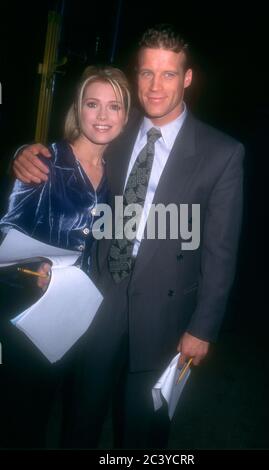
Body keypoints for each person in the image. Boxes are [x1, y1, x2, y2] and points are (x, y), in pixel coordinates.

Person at [12, 24, 245, 449]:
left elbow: (221, 252)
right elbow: (72, 148)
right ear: (136, 76)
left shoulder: (221, 153)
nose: (155, 87)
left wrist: (203, 328)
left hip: (166, 309)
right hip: (101, 296)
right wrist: (24, 152)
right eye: (146, 74)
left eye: (168, 74)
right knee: (81, 414)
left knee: (144, 427)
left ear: (187, 78)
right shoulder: (117, 128)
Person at [0, 65, 130, 449]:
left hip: (86, 315)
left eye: (115, 106)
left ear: (127, 116)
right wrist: (31, 269)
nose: (103, 116)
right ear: (79, 109)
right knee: (25, 421)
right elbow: (4, 241)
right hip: (31, 315)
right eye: (93, 104)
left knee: (75, 416)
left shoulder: (118, 175)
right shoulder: (44, 162)